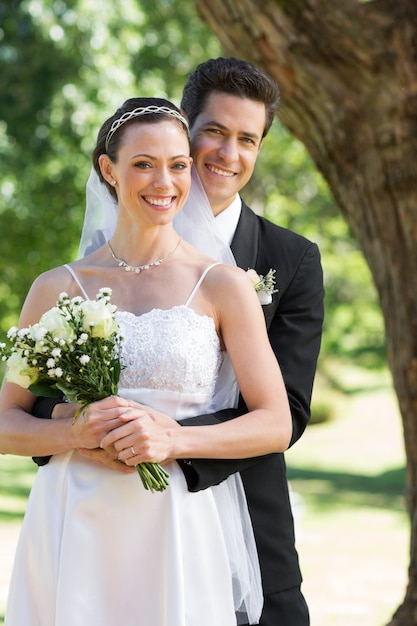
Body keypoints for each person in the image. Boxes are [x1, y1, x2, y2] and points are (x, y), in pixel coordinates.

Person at [33, 58, 324, 625]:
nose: (227, 153)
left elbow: (285, 410)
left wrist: (167, 441)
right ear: (184, 129)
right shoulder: (95, 259)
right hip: (101, 514)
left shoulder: (291, 260)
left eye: (248, 139)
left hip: (244, 521)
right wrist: (86, 426)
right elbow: (45, 381)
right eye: (214, 131)